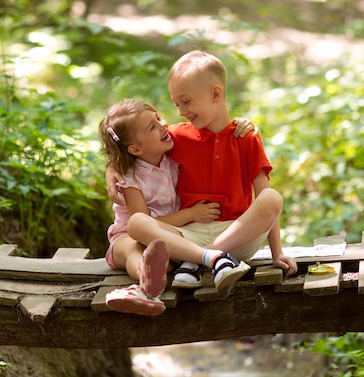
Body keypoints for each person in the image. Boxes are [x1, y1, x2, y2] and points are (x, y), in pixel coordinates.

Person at [108, 50, 297, 292]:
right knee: (136, 223)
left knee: (272, 198)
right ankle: (206, 258)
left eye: (186, 102)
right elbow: (135, 147)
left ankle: (197, 260)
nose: (180, 111)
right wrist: (112, 169)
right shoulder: (177, 136)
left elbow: (264, 198)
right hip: (188, 235)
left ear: (215, 93)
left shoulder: (246, 137)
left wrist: (276, 253)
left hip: (237, 234)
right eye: (177, 104)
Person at [99, 98, 253, 316]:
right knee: (134, 248)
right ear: (134, 148)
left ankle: (147, 286)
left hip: (171, 236)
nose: (163, 125)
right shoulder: (129, 179)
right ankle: (146, 278)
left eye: (159, 118)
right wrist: (190, 214)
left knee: (164, 261)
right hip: (130, 236)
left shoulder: (173, 152)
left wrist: (239, 126)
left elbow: (210, 135)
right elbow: (140, 223)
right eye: (152, 126)